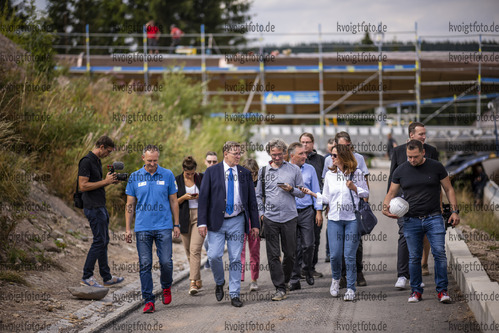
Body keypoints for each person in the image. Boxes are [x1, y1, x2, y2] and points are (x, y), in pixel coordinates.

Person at [383, 139, 460, 303]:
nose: (412, 160)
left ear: (423, 152)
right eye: (409, 157)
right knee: (414, 257)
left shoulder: (436, 167)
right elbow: (391, 192)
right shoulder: (400, 170)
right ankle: (416, 291)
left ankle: (442, 291)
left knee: (439, 254)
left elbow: (449, 189)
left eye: (415, 157)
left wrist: (454, 211)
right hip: (411, 220)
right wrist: (385, 207)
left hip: (434, 217)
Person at [301, 144, 369, 301]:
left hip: (352, 218)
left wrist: (354, 188)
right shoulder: (330, 176)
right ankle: (336, 280)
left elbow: (366, 193)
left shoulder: (356, 173)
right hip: (334, 219)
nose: (331, 158)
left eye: (334, 155)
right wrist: (312, 194)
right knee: (335, 255)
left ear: (343, 157)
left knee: (349, 256)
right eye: (331, 155)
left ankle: (351, 288)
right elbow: (326, 198)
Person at [197, 141, 259, 308]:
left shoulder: (245, 173)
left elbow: (252, 201)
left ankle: (234, 293)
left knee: (235, 259)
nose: (238, 156)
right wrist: (201, 222)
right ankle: (219, 281)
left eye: (239, 153)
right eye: (235, 153)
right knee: (214, 255)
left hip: (237, 221)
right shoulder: (211, 172)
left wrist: (255, 225)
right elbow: (203, 199)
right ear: (225, 154)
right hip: (216, 222)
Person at [125, 145, 180, 313]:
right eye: (149, 161)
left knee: (166, 262)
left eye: (155, 160)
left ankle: (166, 286)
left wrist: (176, 224)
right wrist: (128, 228)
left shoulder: (168, 175)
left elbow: (173, 201)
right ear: (143, 158)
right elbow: (129, 204)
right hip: (142, 227)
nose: (152, 164)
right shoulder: (134, 177)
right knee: (145, 264)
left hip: (164, 226)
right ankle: (148, 300)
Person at [388, 122, 439, 289]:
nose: (424, 136)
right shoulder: (397, 151)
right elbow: (392, 178)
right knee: (405, 235)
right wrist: (388, 201)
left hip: (425, 203)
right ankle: (402, 275)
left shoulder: (431, 151)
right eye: (420, 134)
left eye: (425, 134)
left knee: (421, 237)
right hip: (403, 203)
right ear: (411, 135)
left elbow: (437, 179)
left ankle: (416, 276)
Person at [256, 138, 305, 301]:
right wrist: (261, 213)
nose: (277, 157)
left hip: (290, 217)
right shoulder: (263, 172)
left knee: (290, 254)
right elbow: (258, 195)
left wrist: (292, 189)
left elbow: (302, 192)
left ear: (285, 153)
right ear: (269, 154)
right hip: (270, 219)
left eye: (279, 154)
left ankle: (284, 281)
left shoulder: (294, 170)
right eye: (273, 155)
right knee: (273, 255)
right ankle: (279, 287)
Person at [322, 132, 370, 287]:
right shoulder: (329, 166)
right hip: (336, 214)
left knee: (354, 248)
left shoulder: (359, 163)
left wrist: (363, 204)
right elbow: (327, 192)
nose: (332, 158)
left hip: (352, 214)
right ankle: (340, 276)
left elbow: (365, 187)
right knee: (336, 251)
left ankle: (356, 275)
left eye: (347, 145)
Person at [79, 135, 124, 288]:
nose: (108, 155)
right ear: (102, 147)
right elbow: (83, 186)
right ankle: (87, 276)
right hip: (92, 207)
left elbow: (96, 184)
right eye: (108, 151)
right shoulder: (86, 161)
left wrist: (109, 181)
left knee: (104, 241)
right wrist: (106, 181)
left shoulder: (97, 161)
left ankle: (107, 277)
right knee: (99, 241)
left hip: (100, 206)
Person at [288, 142, 322, 291]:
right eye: (301, 154)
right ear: (292, 156)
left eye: (305, 153)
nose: (305, 156)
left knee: (309, 244)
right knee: (294, 248)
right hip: (290, 213)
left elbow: (316, 190)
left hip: (307, 211)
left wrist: (319, 211)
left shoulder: (310, 169)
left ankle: (307, 269)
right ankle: (294, 279)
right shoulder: (285, 170)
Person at [176, 156, 204, 295]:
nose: (190, 175)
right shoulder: (176, 180)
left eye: (192, 173)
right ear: (183, 170)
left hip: (199, 217)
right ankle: (198, 278)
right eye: (188, 173)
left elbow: (209, 195)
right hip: (184, 217)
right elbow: (172, 202)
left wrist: (201, 196)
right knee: (188, 250)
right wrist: (184, 197)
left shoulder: (201, 178)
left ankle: (192, 282)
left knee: (195, 249)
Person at [299, 133, 325, 278]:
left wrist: (320, 207)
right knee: (299, 241)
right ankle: (299, 269)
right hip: (299, 207)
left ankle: (310, 267)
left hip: (315, 205)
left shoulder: (320, 160)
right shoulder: (294, 160)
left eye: (307, 142)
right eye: (302, 142)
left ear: (313, 143)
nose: (305, 145)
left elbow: (322, 185)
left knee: (314, 238)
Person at [240, 158, 261, 292]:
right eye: (249, 172)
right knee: (239, 250)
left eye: (254, 173)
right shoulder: (239, 183)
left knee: (254, 251)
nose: (251, 175)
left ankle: (254, 279)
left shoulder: (260, 184)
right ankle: (239, 277)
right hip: (241, 219)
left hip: (255, 220)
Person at [202, 151, 218, 269]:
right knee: (206, 241)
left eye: (214, 161)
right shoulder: (200, 177)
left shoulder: (222, 176)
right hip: (204, 214)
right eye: (209, 161)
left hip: (218, 214)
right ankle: (209, 257)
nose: (211, 164)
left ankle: (212, 258)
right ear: (205, 162)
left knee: (214, 240)